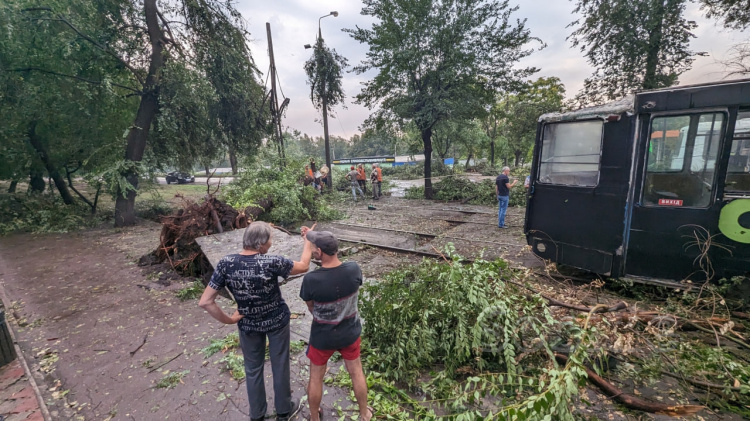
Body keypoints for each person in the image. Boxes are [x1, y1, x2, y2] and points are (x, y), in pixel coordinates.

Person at [199, 222, 313, 421]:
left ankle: (257, 415)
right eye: (270, 239)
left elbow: (206, 301)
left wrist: (229, 320)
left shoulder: (226, 263)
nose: (271, 243)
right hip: (277, 321)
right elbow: (304, 265)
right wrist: (308, 241)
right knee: (280, 364)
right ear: (261, 243)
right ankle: (284, 411)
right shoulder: (271, 261)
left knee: (252, 369)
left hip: (248, 326)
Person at [299, 230, 372, 421]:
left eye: (314, 247)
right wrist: (310, 234)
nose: (313, 250)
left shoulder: (311, 279)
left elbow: (310, 306)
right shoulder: (354, 269)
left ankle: (314, 417)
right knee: (356, 372)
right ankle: (364, 413)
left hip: (322, 337)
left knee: (316, 378)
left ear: (320, 252)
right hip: (350, 333)